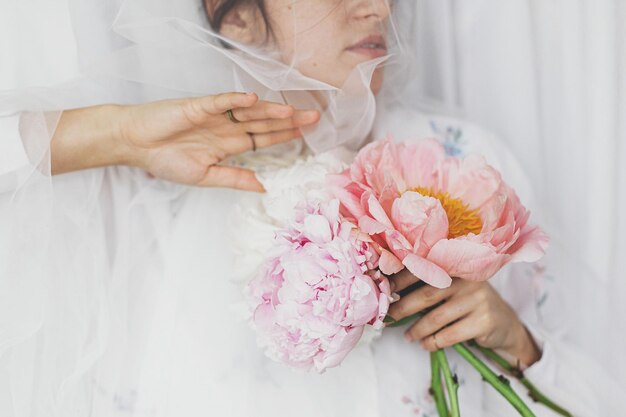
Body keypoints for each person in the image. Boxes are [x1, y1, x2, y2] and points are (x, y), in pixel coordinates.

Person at [0, 1, 621, 416]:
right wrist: (118, 136)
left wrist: (518, 343)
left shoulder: (464, 169)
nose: (377, 6)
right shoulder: (152, 191)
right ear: (238, 16)